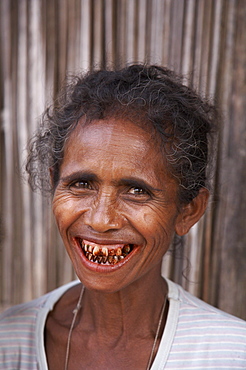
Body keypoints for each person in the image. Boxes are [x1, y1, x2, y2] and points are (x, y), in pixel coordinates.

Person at [0, 64, 245, 370]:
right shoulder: (7, 343)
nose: (102, 220)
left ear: (188, 210)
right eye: (82, 184)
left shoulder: (231, 355)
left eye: (137, 191)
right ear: (54, 184)